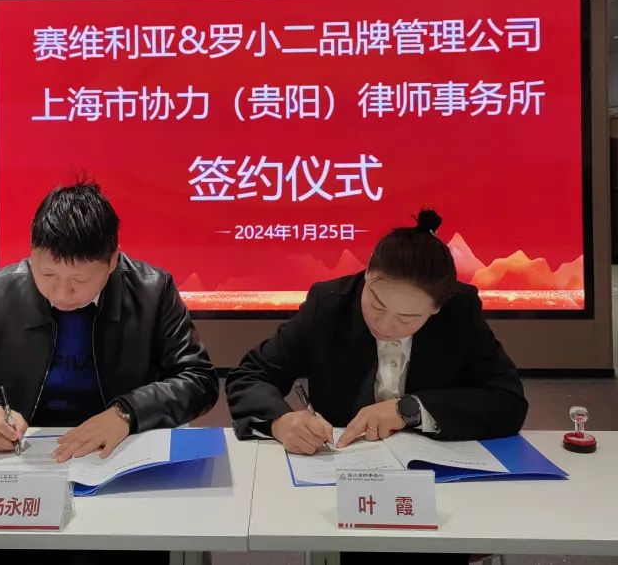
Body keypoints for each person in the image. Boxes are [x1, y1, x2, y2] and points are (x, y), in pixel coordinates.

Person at [0, 182, 218, 565]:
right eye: (47, 274)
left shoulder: (152, 291)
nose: (61, 294)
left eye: (79, 281)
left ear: (112, 261)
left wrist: (126, 413)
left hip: (116, 463)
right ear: (31, 253)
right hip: (21, 467)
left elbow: (198, 379)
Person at [225, 209, 527, 565]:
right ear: (367, 274)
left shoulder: (459, 311)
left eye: (407, 318)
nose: (385, 325)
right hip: (344, 489)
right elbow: (250, 375)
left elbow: (507, 400)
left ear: (436, 309)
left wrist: (408, 410)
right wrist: (280, 421)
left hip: (436, 487)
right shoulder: (330, 304)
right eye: (376, 304)